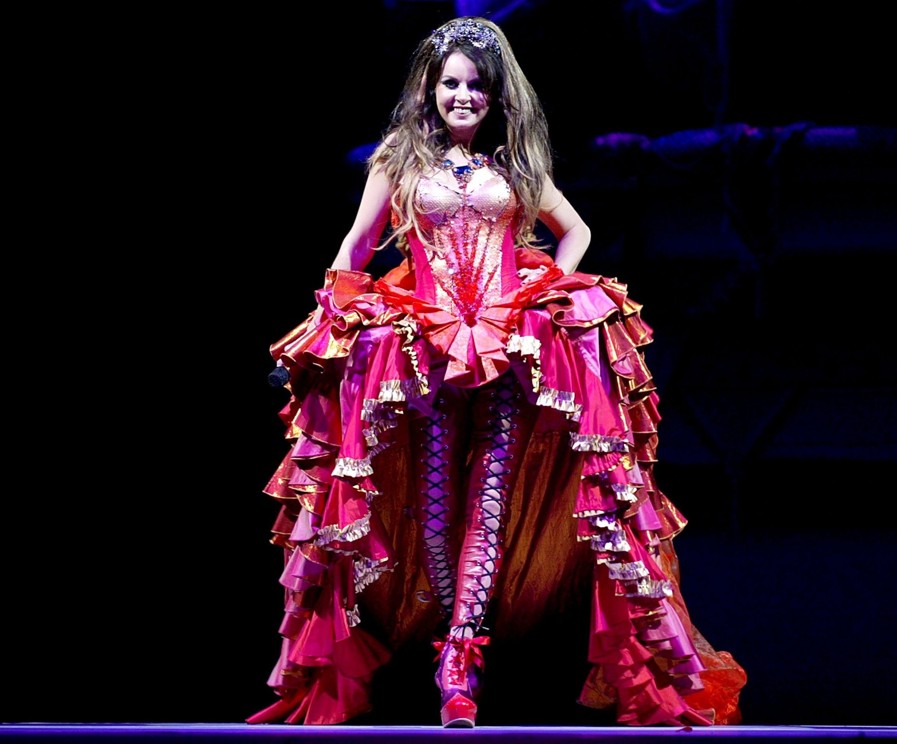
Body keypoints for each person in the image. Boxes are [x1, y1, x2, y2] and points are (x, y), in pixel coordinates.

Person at [248, 16, 746, 729]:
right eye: (451, 83)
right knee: (435, 503)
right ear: (429, 89)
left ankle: (461, 660)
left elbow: (575, 232)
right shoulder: (399, 160)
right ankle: (446, 642)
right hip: (422, 349)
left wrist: (547, 295)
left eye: (476, 86)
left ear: (494, 95)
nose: (463, 96)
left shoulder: (512, 164)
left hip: (506, 350)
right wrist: (325, 328)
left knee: (487, 503)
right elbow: (357, 246)